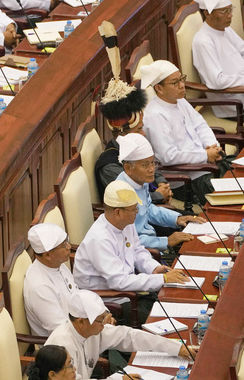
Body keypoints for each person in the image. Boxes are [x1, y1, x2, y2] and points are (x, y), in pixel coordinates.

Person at [73, 181, 188, 321]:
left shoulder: (125, 223)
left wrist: (153, 268)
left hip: (130, 291)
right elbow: (119, 281)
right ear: (118, 212)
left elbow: (137, 250)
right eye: (134, 209)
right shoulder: (99, 239)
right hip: (110, 302)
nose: (137, 212)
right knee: (164, 321)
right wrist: (162, 279)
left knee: (175, 303)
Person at [44, 291, 192, 380]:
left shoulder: (93, 329)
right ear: (81, 322)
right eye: (101, 320)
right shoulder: (62, 345)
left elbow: (129, 336)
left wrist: (175, 348)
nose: (105, 323)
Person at [140, 58, 225, 198]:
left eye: (181, 79)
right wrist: (205, 155)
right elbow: (169, 156)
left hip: (207, 165)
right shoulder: (155, 115)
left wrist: (212, 146)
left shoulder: (179, 100)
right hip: (187, 179)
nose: (182, 85)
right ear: (159, 88)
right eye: (175, 83)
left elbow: (200, 125)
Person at [114, 133, 200, 253]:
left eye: (152, 163)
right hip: (139, 252)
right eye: (145, 165)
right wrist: (166, 241)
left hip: (151, 243)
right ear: (128, 168)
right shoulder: (121, 193)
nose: (151, 169)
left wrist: (177, 218)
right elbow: (128, 240)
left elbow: (148, 209)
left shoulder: (139, 180)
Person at [96, 58, 167, 203]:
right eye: (139, 129)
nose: (143, 133)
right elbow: (129, 199)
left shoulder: (136, 148)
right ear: (122, 134)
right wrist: (159, 195)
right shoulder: (110, 166)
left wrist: (161, 183)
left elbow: (150, 165)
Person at [190, 0, 244, 119]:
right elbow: (216, 81)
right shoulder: (203, 41)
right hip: (233, 103)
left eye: (230, 9)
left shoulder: (224, 28)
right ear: (207, 13)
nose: (230, 15)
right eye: (224, 11)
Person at [23, 223, 77, 337]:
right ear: (47, 255)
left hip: (82, 327)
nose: (69, 246)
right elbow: (61, 331)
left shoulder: (57, 264)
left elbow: (77, 296)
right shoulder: (40, 287)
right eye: (64, 245)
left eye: (67, 241)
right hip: (66, 342)